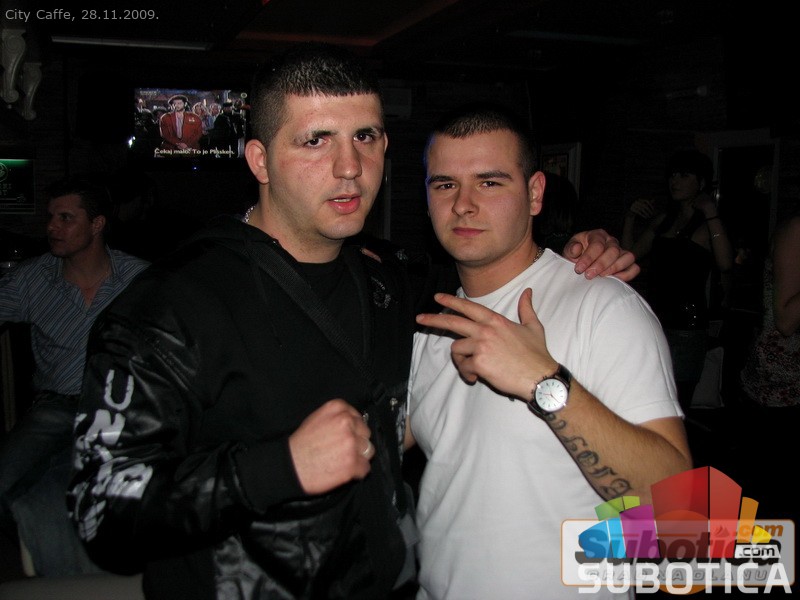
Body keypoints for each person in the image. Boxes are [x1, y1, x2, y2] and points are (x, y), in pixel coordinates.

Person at [67, 44, 637, 600]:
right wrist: (277, 468)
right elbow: (101, 513)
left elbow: (494, 268)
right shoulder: (169, 307)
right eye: (315, 140)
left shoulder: (392, 279)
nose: (349, 168)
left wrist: (574, 254)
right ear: (260, 160)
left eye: (364, 137)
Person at [405, 104, 692, 599]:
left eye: (489, 182)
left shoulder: (602, 304)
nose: (463, 205)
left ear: (535, 193)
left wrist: (544, 382)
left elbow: (673, 509)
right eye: (445, 184)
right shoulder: (433, 326)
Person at [0, 177, 149, 576]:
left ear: (96, 224)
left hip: (111, 409)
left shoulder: (138, 279)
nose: (52, 227)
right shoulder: (32, 279)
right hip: (51, 408)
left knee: (57, 495)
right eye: (51, 217)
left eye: (66, 218)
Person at [622, 149, 734, 410]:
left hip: (687, 328)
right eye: (672, 175)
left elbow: (726, 263)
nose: (675, 181)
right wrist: (630, 217)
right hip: (654, 320)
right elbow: (628, 257)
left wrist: (711, 211)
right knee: (647, 395)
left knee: (676, 403)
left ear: (701, 182)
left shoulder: (707, 225)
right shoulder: (664, 221)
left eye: (684, 175)